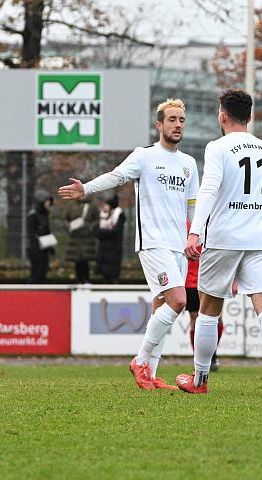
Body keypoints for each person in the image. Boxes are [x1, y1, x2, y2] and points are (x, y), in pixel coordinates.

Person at [59, 98, 199, 390]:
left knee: (162, 306)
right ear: (159, 125)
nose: (177, 125)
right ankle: (141, 360)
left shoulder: (188, 164)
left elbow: (191, 208)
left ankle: (151, 373)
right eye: (172, 120)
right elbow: (116, 176)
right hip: (153, 243)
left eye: (181, 120)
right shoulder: (144, 156)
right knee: (179, 302)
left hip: (178, 247)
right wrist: (85, 188)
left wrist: (196, 235)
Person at [180, 89, 262, 396]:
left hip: (226, 235)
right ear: (250, 116)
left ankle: (200, 380)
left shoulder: (218, 147)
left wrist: (195, 232)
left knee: (208, 307)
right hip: (261, 237)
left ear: (222, 116)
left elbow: (209, 190)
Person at [185, 220, 224, 371]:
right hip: (190, 281)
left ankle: (212, 355)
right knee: (195, 319)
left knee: (217, 318)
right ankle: (199, 358)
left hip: (212, 277)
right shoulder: (186, 223)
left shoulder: (214, 219)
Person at [64, 198, 99, 283]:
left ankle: (86, 280)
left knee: (85, 260)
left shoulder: (92, 205)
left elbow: (98, 219)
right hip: (75, 237)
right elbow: (65, 218)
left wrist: (91, 226)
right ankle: (79, 280)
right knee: (77, 260)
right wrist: (69, 226)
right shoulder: (71, 204)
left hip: (87, 238)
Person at [95, 195, 125, 283]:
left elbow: (115, 232)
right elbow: (97, 232)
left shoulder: (119, 215)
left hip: (114, 249)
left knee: (113, 273)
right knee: (104, 275)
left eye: (106, 205)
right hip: (104, 249)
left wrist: (104, 233)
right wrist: (105, 233)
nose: (104, 207)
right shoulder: (103, 216)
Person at [27, 195, 54, 283]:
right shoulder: (33, 215)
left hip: (44, 247)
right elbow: (31, 233)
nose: (48, 205)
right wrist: (34, 249)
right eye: (47, 203)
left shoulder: (44, 215)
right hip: (36, 248)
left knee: (43, 270)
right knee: (36, 271)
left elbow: (47, 231)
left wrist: (50, 247)